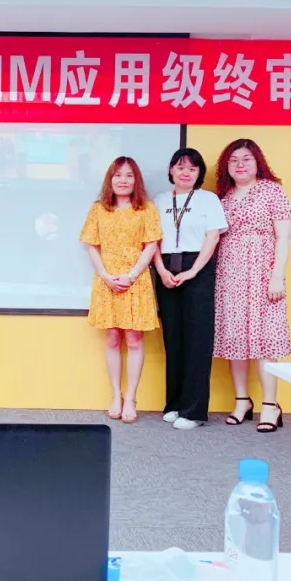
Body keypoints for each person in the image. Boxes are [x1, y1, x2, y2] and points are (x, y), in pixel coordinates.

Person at [213, 138, 291, 433]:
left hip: (263, 273)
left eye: (246, 158)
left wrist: (277, 276)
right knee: (234, 337)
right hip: (230, 274)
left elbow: (283, 237)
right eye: (233, 160)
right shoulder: (222, 197)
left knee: (265, 338)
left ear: (257, 162)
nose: (240, 165)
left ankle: (270, 405)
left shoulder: (272, 191)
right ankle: (242, 401)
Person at [79, 156, 162, 424]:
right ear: (110, 179)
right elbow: (91, 245)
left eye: (129, 175)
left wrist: (131, 275)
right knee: (113, 338)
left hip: (135, 281)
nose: (123, 180)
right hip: (107, 281)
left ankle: (131, 398)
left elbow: (151, 245)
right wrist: (106, 276)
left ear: (136, 180)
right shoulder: (98, 209)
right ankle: (115, 395)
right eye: (118, 175)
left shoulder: (146, 209)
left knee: (135, 339)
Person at [152, 148, 228, 430]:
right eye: (180, 167)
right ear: (171, 170)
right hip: (165, 269)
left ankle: (194, 411)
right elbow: (151, 239)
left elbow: (213, 237)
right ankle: (174, 404)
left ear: (199, 173)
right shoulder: (159, 201)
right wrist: (161, 270)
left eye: (193, 169)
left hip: (198, 268)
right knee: (173, 338)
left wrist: (193, 270)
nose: (186, 173)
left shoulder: (208, 199)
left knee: (197, 340)